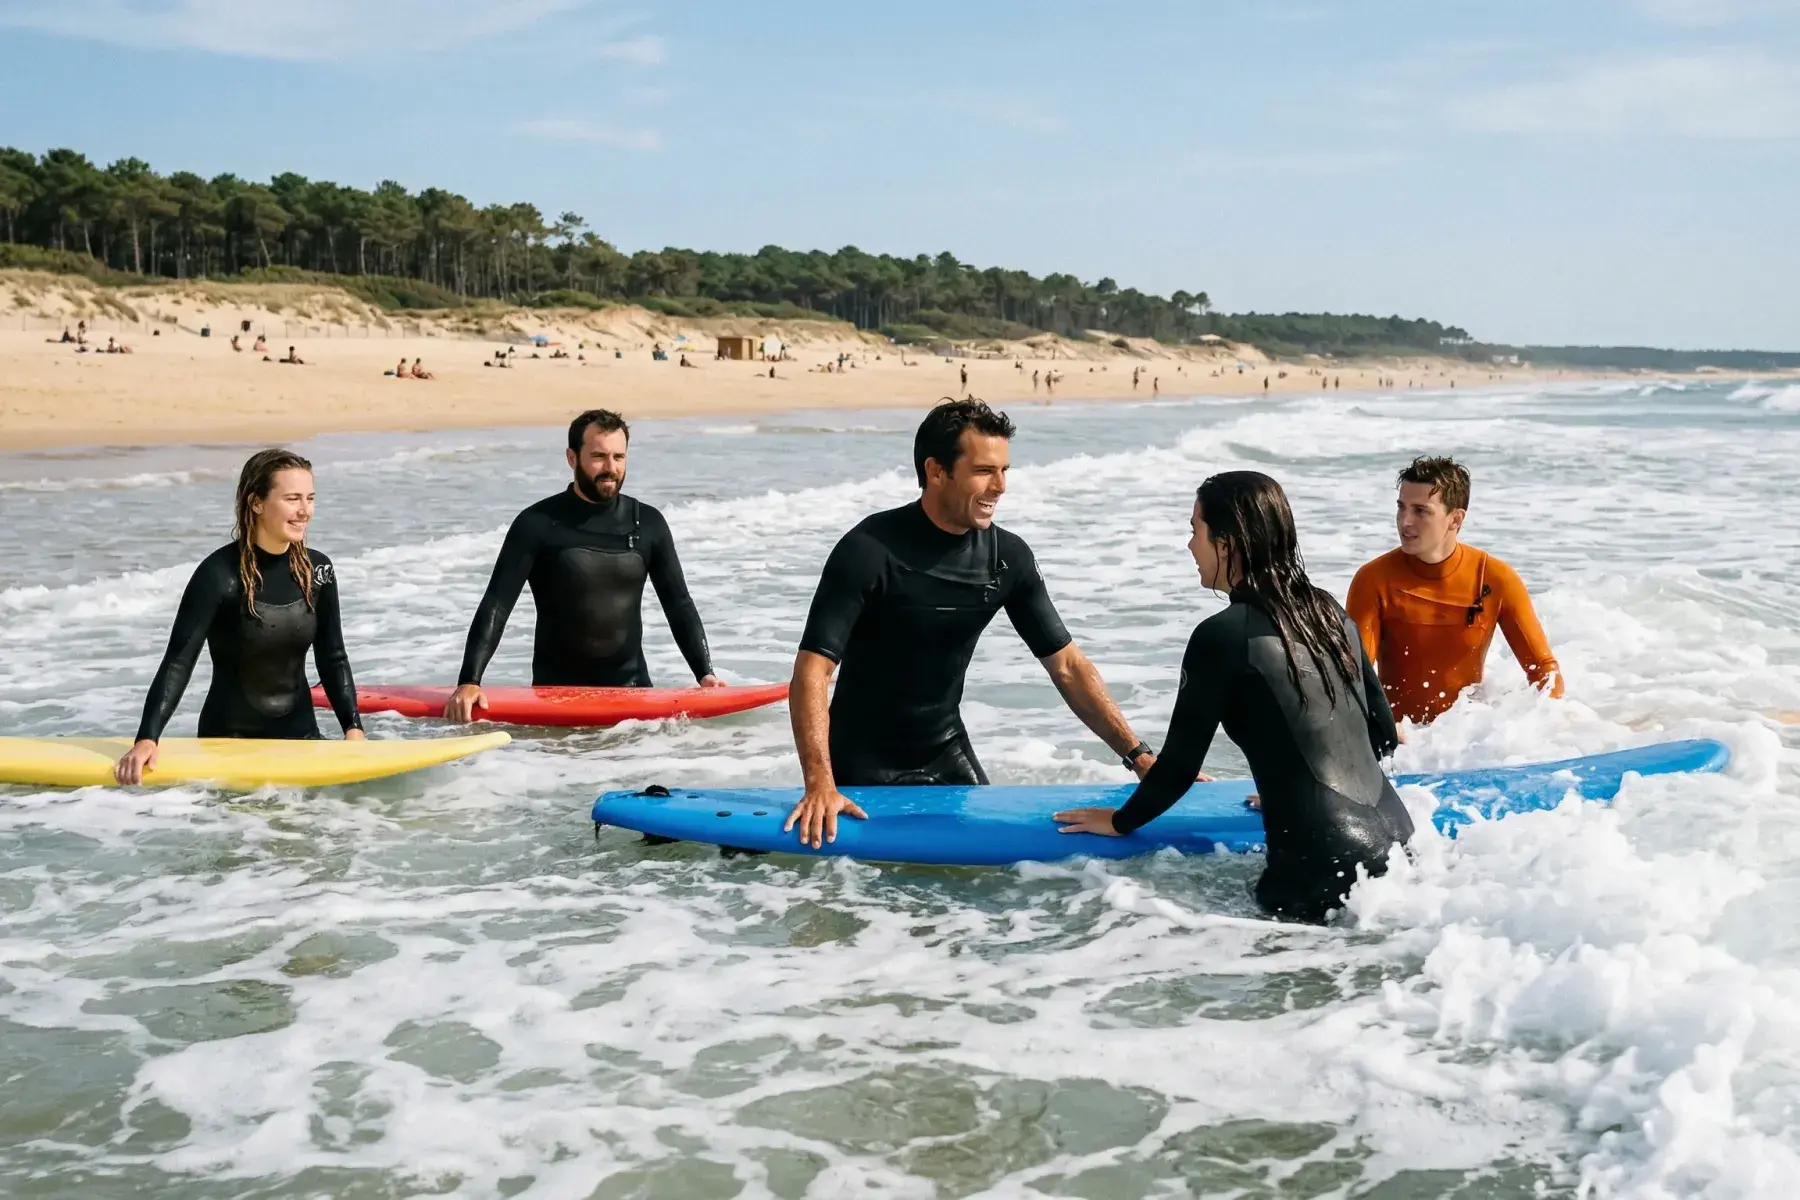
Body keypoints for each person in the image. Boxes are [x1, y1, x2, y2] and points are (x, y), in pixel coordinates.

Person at [783, 399, 1163, 848]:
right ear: (937, 471)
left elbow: (1067, 667)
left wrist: (1141, 759)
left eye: (1005, 470)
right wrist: (820, 784)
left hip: (945, 750)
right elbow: (814, 670)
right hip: (858, 761)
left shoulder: (1007, 558)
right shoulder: (869, 549)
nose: (1000, 486)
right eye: (984, 470)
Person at [1055, 471, 1414, 922]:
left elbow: (1180, 768)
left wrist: (1119, 821)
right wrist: (1293, 787)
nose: (1190, 546)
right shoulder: (1328, 612)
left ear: (1226, 543)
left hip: (1322, 863)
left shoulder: (1221, 637)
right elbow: (1381, 733)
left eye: (1195, 530)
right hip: (1400, 843)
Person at [446, 409, 721, 720]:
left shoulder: (648, 524)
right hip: (555, 701)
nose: (611, 468)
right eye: (599, 456)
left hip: (633, 698)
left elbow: (679, 603)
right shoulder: (537, 524)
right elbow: (497, 603)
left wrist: (704, 674)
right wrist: (469, 681)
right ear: (572, 458)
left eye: (619, 456)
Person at [114, 450, 364, 784]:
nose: (304, 511)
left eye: (310, 498)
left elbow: (333, 657)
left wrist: (353, 728)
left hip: (302, 740)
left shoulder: (317, 571)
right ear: (256, 503)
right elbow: (179, 661)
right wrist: (147, 739)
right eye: (292, 499)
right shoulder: (218, 575)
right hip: (228, 746)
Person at [1346, 457, 1563, 724]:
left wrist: (1546, 729)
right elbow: (1355, 678)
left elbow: (1544, 672)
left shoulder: (1495, 578)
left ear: (1455, 519)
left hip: (1463, 741)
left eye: (1420, 511)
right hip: (1401, 741)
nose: (1405, 522)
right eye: (1401, 508)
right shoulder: (1373, 580)